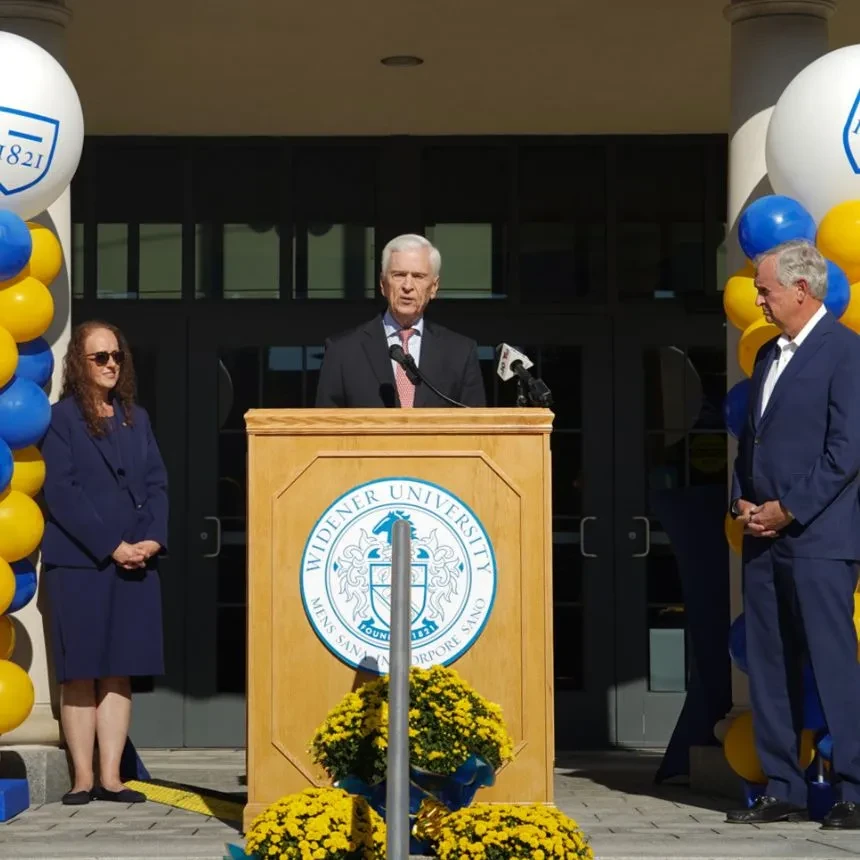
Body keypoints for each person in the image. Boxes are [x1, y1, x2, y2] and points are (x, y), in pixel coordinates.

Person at [727, 239, 860, 829]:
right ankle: (782, 785)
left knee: (833, 665)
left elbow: (846, 450)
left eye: (766, 289)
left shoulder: (845, 352)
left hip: (820, 539)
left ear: (802, 290)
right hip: (761, 535)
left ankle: (853, 790)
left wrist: (789, 508)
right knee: (771, 662)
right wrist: (742, 498)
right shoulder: (766, 357)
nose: (759, 299)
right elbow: (751, 442)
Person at [40, 321, 168, 806]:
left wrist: (152, 540)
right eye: (100, 357)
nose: (112, 363)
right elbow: (63, 494)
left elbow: (158, 482)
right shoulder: (60, 421)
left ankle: (112, 778)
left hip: (137, 564)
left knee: (119, 669)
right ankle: (82, 778)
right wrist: (111, 545)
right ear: (80, 363)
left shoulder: (138, 418)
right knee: (81, 671)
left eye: (117, 355)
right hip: (80, 565)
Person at [315, 234, 486, 408]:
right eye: (399, 275)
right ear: (383, 284)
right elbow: (326, 427)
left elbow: (476, 428)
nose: (407, 286)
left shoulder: (461, 353)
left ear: (434, 287)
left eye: (418, 276)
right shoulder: (342, 352)